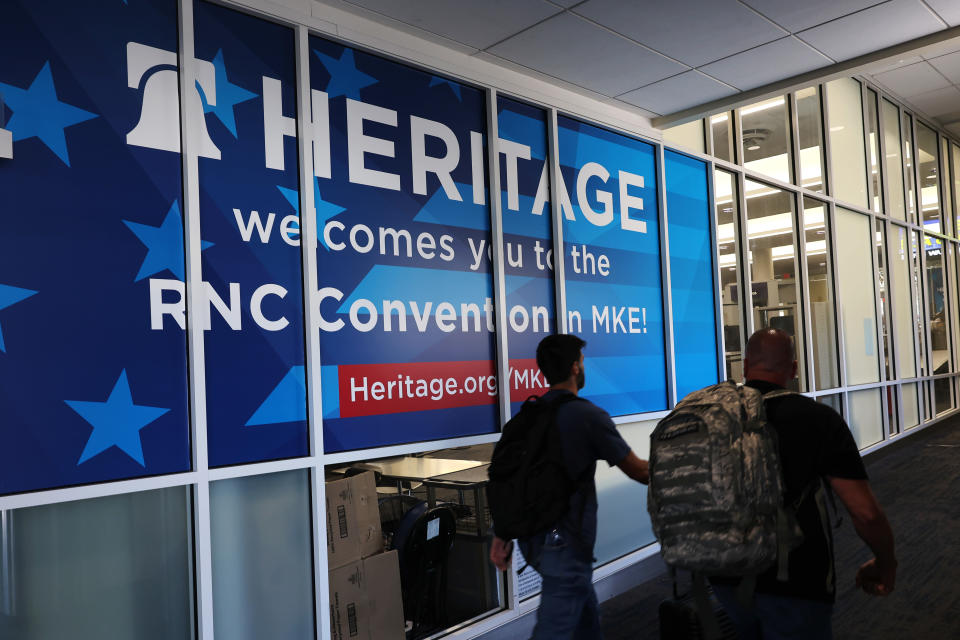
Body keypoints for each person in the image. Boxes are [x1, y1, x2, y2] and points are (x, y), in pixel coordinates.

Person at [712, 328, 897, 639]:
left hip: (725, 573)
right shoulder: (817, 419)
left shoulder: (717, 417)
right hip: (795, 579)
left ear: (744, 367)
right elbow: (864, 511)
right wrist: (885, 561)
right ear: (794, 369)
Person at [488, 333, 649, 640]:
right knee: (555, 630)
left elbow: (512, 476)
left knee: (586, 621)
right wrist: (685, 470)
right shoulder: (587, 416)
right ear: (576, 367)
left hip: (532, 540)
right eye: (583, 361)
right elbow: (639, 471)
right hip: (562, 543)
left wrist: (502, 533)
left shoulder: (529, 415)